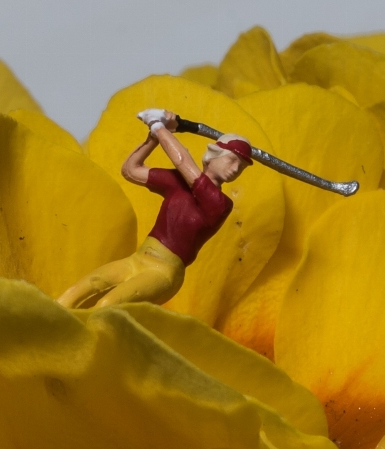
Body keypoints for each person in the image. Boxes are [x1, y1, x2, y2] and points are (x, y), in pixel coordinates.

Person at [57, 108, 252, 308]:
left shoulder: (219, 203)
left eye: (242, 167)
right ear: (213, 155)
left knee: (107, 304)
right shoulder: (178, 182)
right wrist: (153, 138)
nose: (235, 169)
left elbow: (182, 160)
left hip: (164, 273)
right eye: (232, 160)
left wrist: (158, 126)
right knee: (74, 293)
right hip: (138, 259)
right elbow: (131, 170)